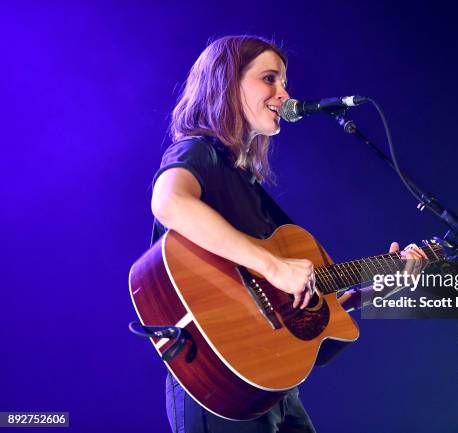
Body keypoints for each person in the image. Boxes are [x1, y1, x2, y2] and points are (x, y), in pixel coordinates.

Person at [150, 35, 427, 433]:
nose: (284, 93)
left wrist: (382, 286)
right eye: (270, 79)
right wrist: (274, 267)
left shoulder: (244, 180)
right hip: (218, 385)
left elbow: (305, 303)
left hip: (273, 384)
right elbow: (169, 203)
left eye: (284, 82)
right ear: (228, 83)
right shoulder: (199, 152)